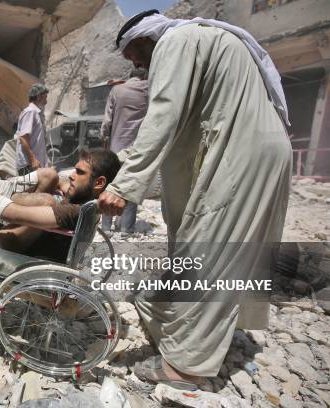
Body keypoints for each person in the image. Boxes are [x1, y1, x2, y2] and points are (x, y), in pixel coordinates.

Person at [98, 10, 292, 389]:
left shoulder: (176, 41)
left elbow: (165, 116)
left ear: (146, 39)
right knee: (235, 251)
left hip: (242, 157)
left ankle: (186, 366)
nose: (136, 64)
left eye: (134, 54)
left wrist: (124, 186)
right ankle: (211, 331)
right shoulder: (203, 40)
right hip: (261, 151)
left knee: (209, 249)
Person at [0, 149, 121, 262]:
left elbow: (13, 213)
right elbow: (58, 180)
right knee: (49, 175)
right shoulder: (88, 202)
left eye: (79, 172)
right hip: (29, 244)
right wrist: (53, 178)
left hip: (7, 249)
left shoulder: (73, 212)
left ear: (99, 182)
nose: (72, 176)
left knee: (46, 201)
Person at [100, 67, 149, 235]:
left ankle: (106, 227)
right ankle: (126, 228)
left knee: (110, 185)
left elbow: (107, 122)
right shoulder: (148, 89)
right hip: (138, 149)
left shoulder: (117, 90)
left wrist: (104, 143)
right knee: (132, 186)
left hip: (115, 148)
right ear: (145, 76)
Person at [15, 84, 49, 175]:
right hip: (29, 165)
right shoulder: (30, 112)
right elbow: (23, 138)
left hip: (35, 165)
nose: (46, 101)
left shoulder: (36, 113)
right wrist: (33, 159)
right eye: (45, 97)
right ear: (38, 97)